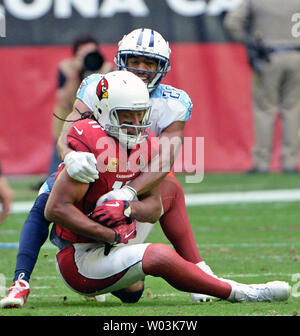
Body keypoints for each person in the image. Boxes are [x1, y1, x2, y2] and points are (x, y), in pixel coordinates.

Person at [0, 28, 239, 308]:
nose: (140, 69)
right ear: (121, 59)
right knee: (48, 193)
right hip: (97, 170)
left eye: (148, 63)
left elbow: (165, 160)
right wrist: (70, 156)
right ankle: (21, 281)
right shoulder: (97, 86)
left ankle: (198, 268)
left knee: (134, 289)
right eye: (135, 61)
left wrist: (128, 193)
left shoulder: (174, 102)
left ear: (162, 67)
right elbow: (69, 129)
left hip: (139, 175)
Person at [43, 71, 290, 305]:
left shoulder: (146, 142)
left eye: (141, 114)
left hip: (117, 240)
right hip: (80, 257)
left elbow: (154, 208)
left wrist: (128, 207)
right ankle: (239, 292)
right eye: (128, 115)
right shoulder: (88, 144)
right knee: (158, 255)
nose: (137, 123)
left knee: (170, 188)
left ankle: (199, 271)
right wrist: (108, 234)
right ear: (104, 112)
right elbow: (53, 209)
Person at [224, 0, 300, 173]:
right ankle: (290, 162)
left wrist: (248, 41)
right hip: (296, 56)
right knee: (292, 109)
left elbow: (232, 22)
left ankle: (262, 162)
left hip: (268, 56)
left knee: (265, 110)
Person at [49, 35, 114, 174]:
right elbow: (64, 102)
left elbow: (109, 100)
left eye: (92, 53)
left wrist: (101, 74)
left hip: (97, 121)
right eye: (84, 54)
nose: (88, 57)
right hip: (68, 117)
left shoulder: (107, 68)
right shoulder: (66, 67)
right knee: (60, 156)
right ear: (75, 55)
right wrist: (75, 73)